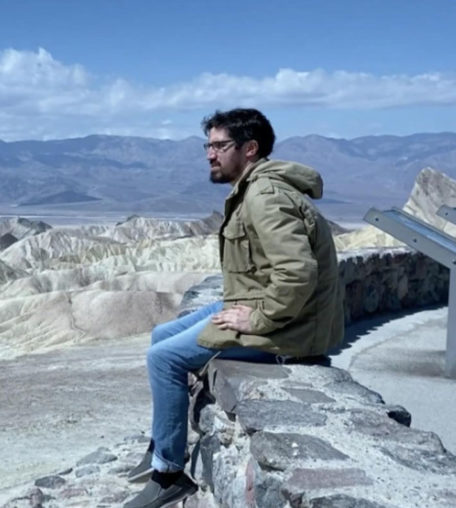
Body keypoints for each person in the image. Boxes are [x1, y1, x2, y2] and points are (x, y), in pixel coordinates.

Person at [124, 108, 345, 508]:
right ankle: (161, 442)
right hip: (269, 309)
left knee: (163, 359)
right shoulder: (254, 189)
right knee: (162, 335)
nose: (210, 154)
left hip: (293, 331)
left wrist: (257, 319)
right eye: (208, 145)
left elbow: (297, 273)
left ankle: (169, 474)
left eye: (220, 145)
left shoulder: (265, 197)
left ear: (250, 149)